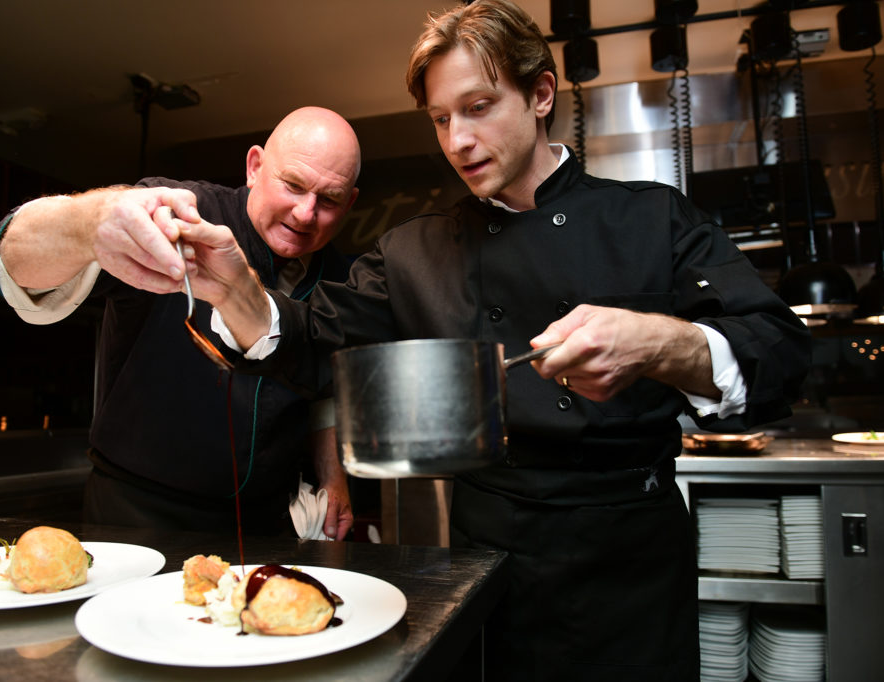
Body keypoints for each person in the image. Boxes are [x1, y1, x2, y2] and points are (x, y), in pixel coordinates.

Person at [156, 2, 812, 678]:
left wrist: (658, 343)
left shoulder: (652, 219)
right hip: (486, 563)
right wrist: (235, 290)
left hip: (629, 567)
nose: (458, 141)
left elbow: (781, 350)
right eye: (441, 119)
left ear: (541, 95)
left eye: (477, 108)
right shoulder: (413, 253)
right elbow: (308, 337)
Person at [0, 106, 359, 540]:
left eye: (329, 200)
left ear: (349, 202)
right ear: (255, 167)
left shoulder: (339, 276)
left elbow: (323, 389)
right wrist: (89, 222)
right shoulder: (178, 212)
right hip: (138, 507)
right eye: (292, 185)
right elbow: (12, 268)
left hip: (265, 517)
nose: (306, 214)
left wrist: (333, 477)